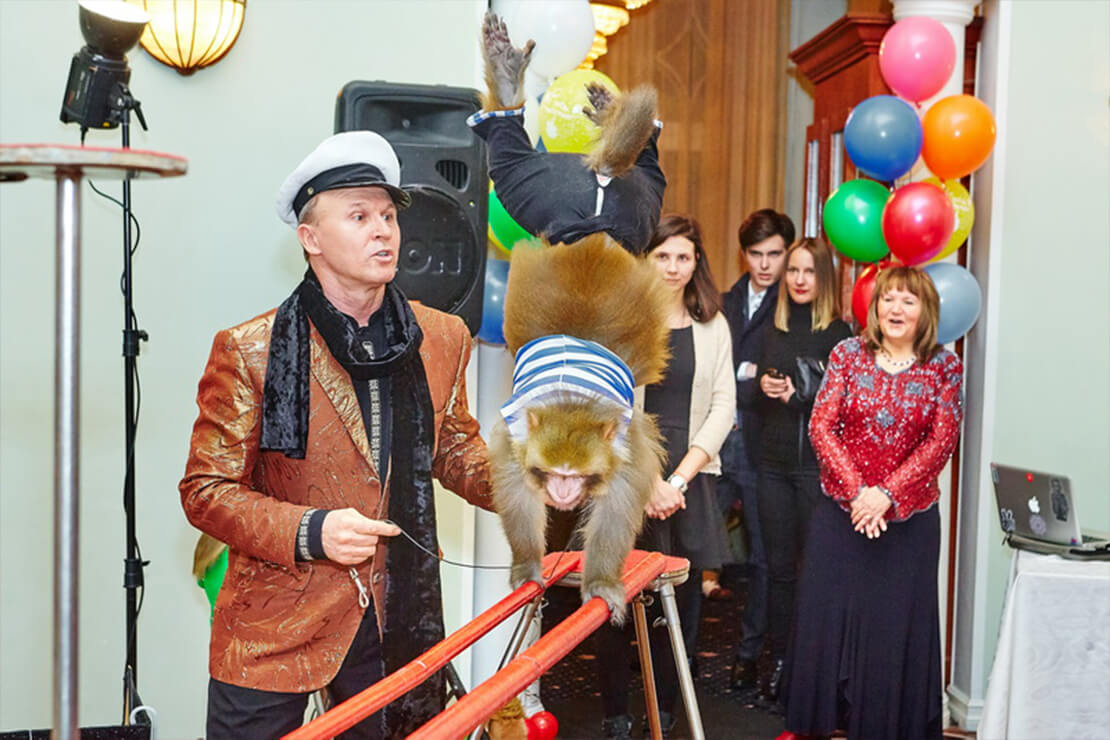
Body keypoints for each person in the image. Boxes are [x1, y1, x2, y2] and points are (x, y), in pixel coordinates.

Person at [179, 131, 495, 739]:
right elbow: (206, 491)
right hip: (271, 625)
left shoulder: (442, 337)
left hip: (394, 619)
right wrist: (312, 531)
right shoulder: (250, 349)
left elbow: (454, 449)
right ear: (311, 238)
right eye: (359, 216)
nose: (384, 231)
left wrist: (533, 481)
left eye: (388, 216)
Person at [782, 266, 964, 739]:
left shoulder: (944, 367)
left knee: (892, 628)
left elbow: (942, 441)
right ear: (875, 307)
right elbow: (822, 426)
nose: (895, 309)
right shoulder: (847, 354)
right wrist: (859, 492)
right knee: (828, 619)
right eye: (888, 299)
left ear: (926, 311)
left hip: (909, 525)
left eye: (908, 300)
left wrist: (886, 494)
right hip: (841, 516)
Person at [596, 214, 735, 738]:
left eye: (684, 257)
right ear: (646, 260)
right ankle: (615, 712)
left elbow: (723, 406)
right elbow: (609, 406)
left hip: (689, 479)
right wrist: (649, 480)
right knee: (614, 598)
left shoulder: (713, 325)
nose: (674, 267)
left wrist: (676, 481)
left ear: (697, 263)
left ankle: (667, 707)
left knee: (682, 601)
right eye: (663, 256)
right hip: (628, 474)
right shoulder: (621, 321)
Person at [741, 238, 852, 708]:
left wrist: (799, 396)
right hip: (772, 465)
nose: (799, 280)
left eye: (808, 271)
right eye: (793, 271)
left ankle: (817, 670)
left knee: (817, 572)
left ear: (824, 278)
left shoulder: (840, 335)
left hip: (816, 471)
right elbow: (753, 390)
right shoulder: (774, 328)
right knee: (779, 570)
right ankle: (783, 662)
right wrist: (764, 386)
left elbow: (844, 406)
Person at [714, 208, 793, 697]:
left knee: (765, 557)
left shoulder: (793, 305)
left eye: (774, 254)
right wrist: (748, 377)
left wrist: (745, 377)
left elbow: (773, 378)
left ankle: (749, 655)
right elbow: (718, 372)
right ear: (744, 254)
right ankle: (668, 651)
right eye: (756, 254)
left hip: (765, 445)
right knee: (690, 545)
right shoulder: (722, 302)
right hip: (715, 440)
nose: (765, 265)